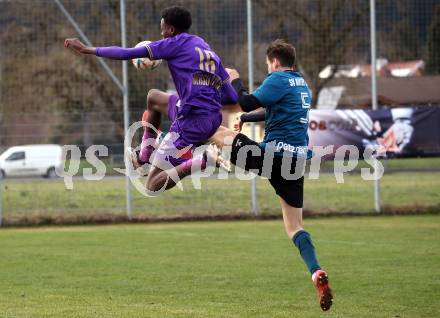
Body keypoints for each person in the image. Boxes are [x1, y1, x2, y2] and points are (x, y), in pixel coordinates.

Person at [209, 39, 333, 311]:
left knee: (215, 131)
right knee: (294, 227)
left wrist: (234, 79)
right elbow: (272, 109)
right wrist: (250, 120)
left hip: (274, 156)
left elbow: (245, 101)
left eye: (267, 65)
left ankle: (176, 152)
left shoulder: (277, 79)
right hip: (296, 161)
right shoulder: (301, 84)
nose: (268, 69)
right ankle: (316, 272)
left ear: (275, 62)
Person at [64, 6, 237, 193]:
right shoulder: (205, 48)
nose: (160, 31)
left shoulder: (172, 44)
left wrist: (86, 49)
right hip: (210, 116)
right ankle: (144, 156)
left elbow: (126, 53)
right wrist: (200, 93)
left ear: (170, 29)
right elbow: (231, 97)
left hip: (191, 123)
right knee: (153, 97)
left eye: (162, 26)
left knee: (152, 185)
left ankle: (203, 161)